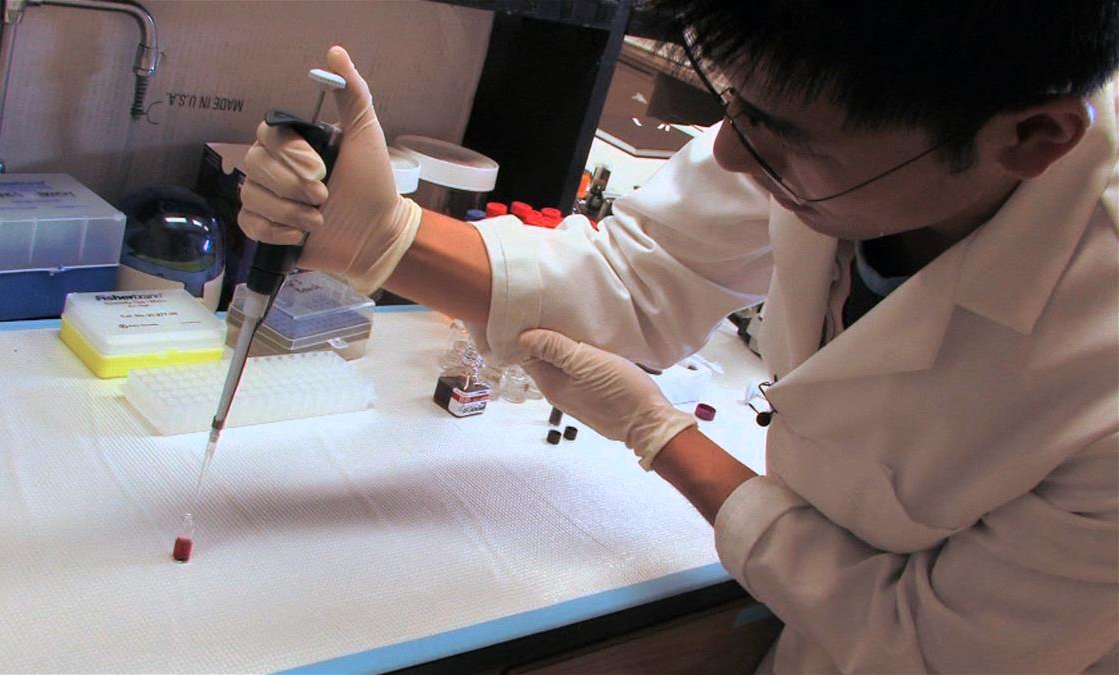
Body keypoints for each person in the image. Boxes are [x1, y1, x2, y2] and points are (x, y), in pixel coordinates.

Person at [237, 2, 1119, 670]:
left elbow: (926, 645)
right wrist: (383, 236)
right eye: (737, 106)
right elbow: (639, 275)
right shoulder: (852, 116)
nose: (730, 156)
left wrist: (665, 438)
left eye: (781, 140)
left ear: (1032, 138)